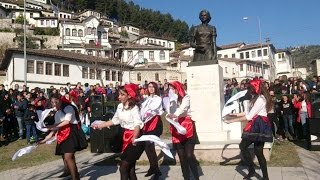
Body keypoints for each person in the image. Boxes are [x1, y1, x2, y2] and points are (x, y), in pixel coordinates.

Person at [91, 84, 145, 180]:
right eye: (119, 94)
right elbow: (114, 120)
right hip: (125, 136)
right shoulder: (120, 106)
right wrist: (99, 125)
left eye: (122, 94)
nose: (119, 97)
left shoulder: (134, 108)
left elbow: (137, 124)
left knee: (123, 168)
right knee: (131, 169)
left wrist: (135, 137)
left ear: (129, 96)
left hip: (135, 139)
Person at [224, 79, 273, 180]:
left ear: (255, 88)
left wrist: (232, 121)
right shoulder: (255, 98)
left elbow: (249, 116)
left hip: (260, 126)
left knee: (257, 151)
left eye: (250, 88)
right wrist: (233, 114)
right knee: (245, 147)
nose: (248, 91)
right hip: (256, 124)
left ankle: (264, 176)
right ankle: (252, 170)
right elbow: (247, 113)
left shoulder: (261, 99)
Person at [47, 96, 88, 180]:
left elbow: (67, 121)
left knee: (68, 157)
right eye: (52, 102)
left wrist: (52, 126)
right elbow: (57, 126)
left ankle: (75, 177)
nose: (54, 104)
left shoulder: (69, 107)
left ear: (60, 101)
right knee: (65, 155)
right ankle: (70, 172)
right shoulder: (58, 112)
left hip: (72, 132)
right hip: (63, 133)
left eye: (56, 102)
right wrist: (46, 138)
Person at [166, 81, 200, 180]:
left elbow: (183, 108)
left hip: (187, 126)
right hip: (176, 127)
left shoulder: (186, 97)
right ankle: (186, 177)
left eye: (173, 88)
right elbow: (169, 111)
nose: (171, 90)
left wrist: (175, 114)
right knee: (181, 157)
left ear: (178, 88)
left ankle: (196, 176)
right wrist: (169, 114)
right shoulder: (171, 100)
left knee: (189, 155)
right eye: (170, 89)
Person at [140, 82, 163, 178]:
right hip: (147, 123)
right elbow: (142, 110)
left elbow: (153, 109)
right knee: (147, 147)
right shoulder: (147, 99)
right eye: (149, 87)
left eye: (153, 87)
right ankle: (154, 168)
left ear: (156, 88)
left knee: (150, 146)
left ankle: (154, 168)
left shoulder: (158, 98)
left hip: (155, 123)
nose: (151, 88)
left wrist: (146, 112)